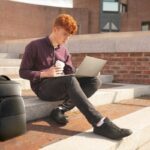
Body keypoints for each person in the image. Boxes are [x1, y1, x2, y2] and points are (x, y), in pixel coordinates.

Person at [19, 14, 132, 140]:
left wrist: (85, 72)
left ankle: (60, 109)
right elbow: (23, 72)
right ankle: (99, 122)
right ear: (55, 29)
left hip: (63, 85)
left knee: (94, 81)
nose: (67, 39)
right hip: (43, 89)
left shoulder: (64, 51)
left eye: (69, 36)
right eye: (65, 34)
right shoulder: (34, 46)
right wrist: (45, 73)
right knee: (69, 80)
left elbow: (70, 71)